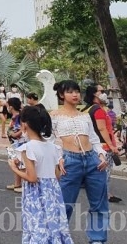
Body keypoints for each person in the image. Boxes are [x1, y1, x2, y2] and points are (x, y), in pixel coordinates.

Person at [52, 80, 109, 243]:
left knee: (99, 204)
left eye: (77, 91)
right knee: (64, 204)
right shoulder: (54, 116)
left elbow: (93, 138)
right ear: (62, 95)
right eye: (70, 92)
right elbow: (52, 140)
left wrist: (101, 154)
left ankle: (97, 239)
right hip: (70, 161)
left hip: (93, 161)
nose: (75, 94)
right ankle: (58, 238)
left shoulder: (85, 115)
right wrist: (59, 158)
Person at [8, 105, 73, 244]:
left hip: (36, 194)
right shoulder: (53, 147)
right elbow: (57, 175)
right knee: (53, 225)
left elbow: (32, 178)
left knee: (37, 225)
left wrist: (14, 168)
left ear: (24, 125)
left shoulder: (28, 148)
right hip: (53, 192)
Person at [83, 84, 121, 203]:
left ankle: (103, 193)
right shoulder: (98, 110)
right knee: (105, 172)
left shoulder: (86, 110)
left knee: (97, 172)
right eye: (101, 91)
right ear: (95, 94)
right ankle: (105, 195)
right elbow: (102, 129)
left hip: (90, 146)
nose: (104, 93)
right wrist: (111, 146)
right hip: (103, 146)